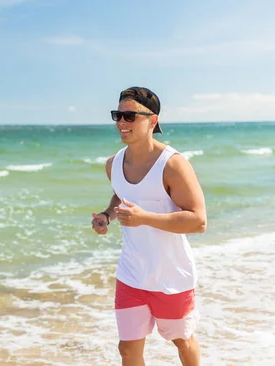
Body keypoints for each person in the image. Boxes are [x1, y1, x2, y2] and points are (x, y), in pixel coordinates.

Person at [91, 86, 207, 366]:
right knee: (127, 351)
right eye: (117, 115)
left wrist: (145, 218)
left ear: (152, 120)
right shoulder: (113, 164)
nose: (121, 122)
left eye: (130, 116)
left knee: (182, 341)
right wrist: (107, 215)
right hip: (131, 274)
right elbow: (122, 193)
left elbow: (198, 220)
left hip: (171, 277)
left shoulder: (173, 165)